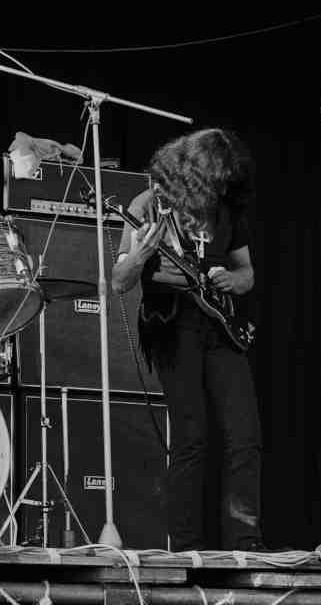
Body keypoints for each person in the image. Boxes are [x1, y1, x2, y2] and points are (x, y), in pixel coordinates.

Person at [111, 128, 263, 551]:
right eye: (213, 180)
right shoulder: (150, 205)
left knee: (244, 435)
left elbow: (247, 273)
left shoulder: (228, 210)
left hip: (222, 327)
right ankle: (186, 546)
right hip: (173, 323)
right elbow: (120, 281)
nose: (219, 188)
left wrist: (232, 279)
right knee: (191, 437)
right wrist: (142, 253)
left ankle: (246, 540)